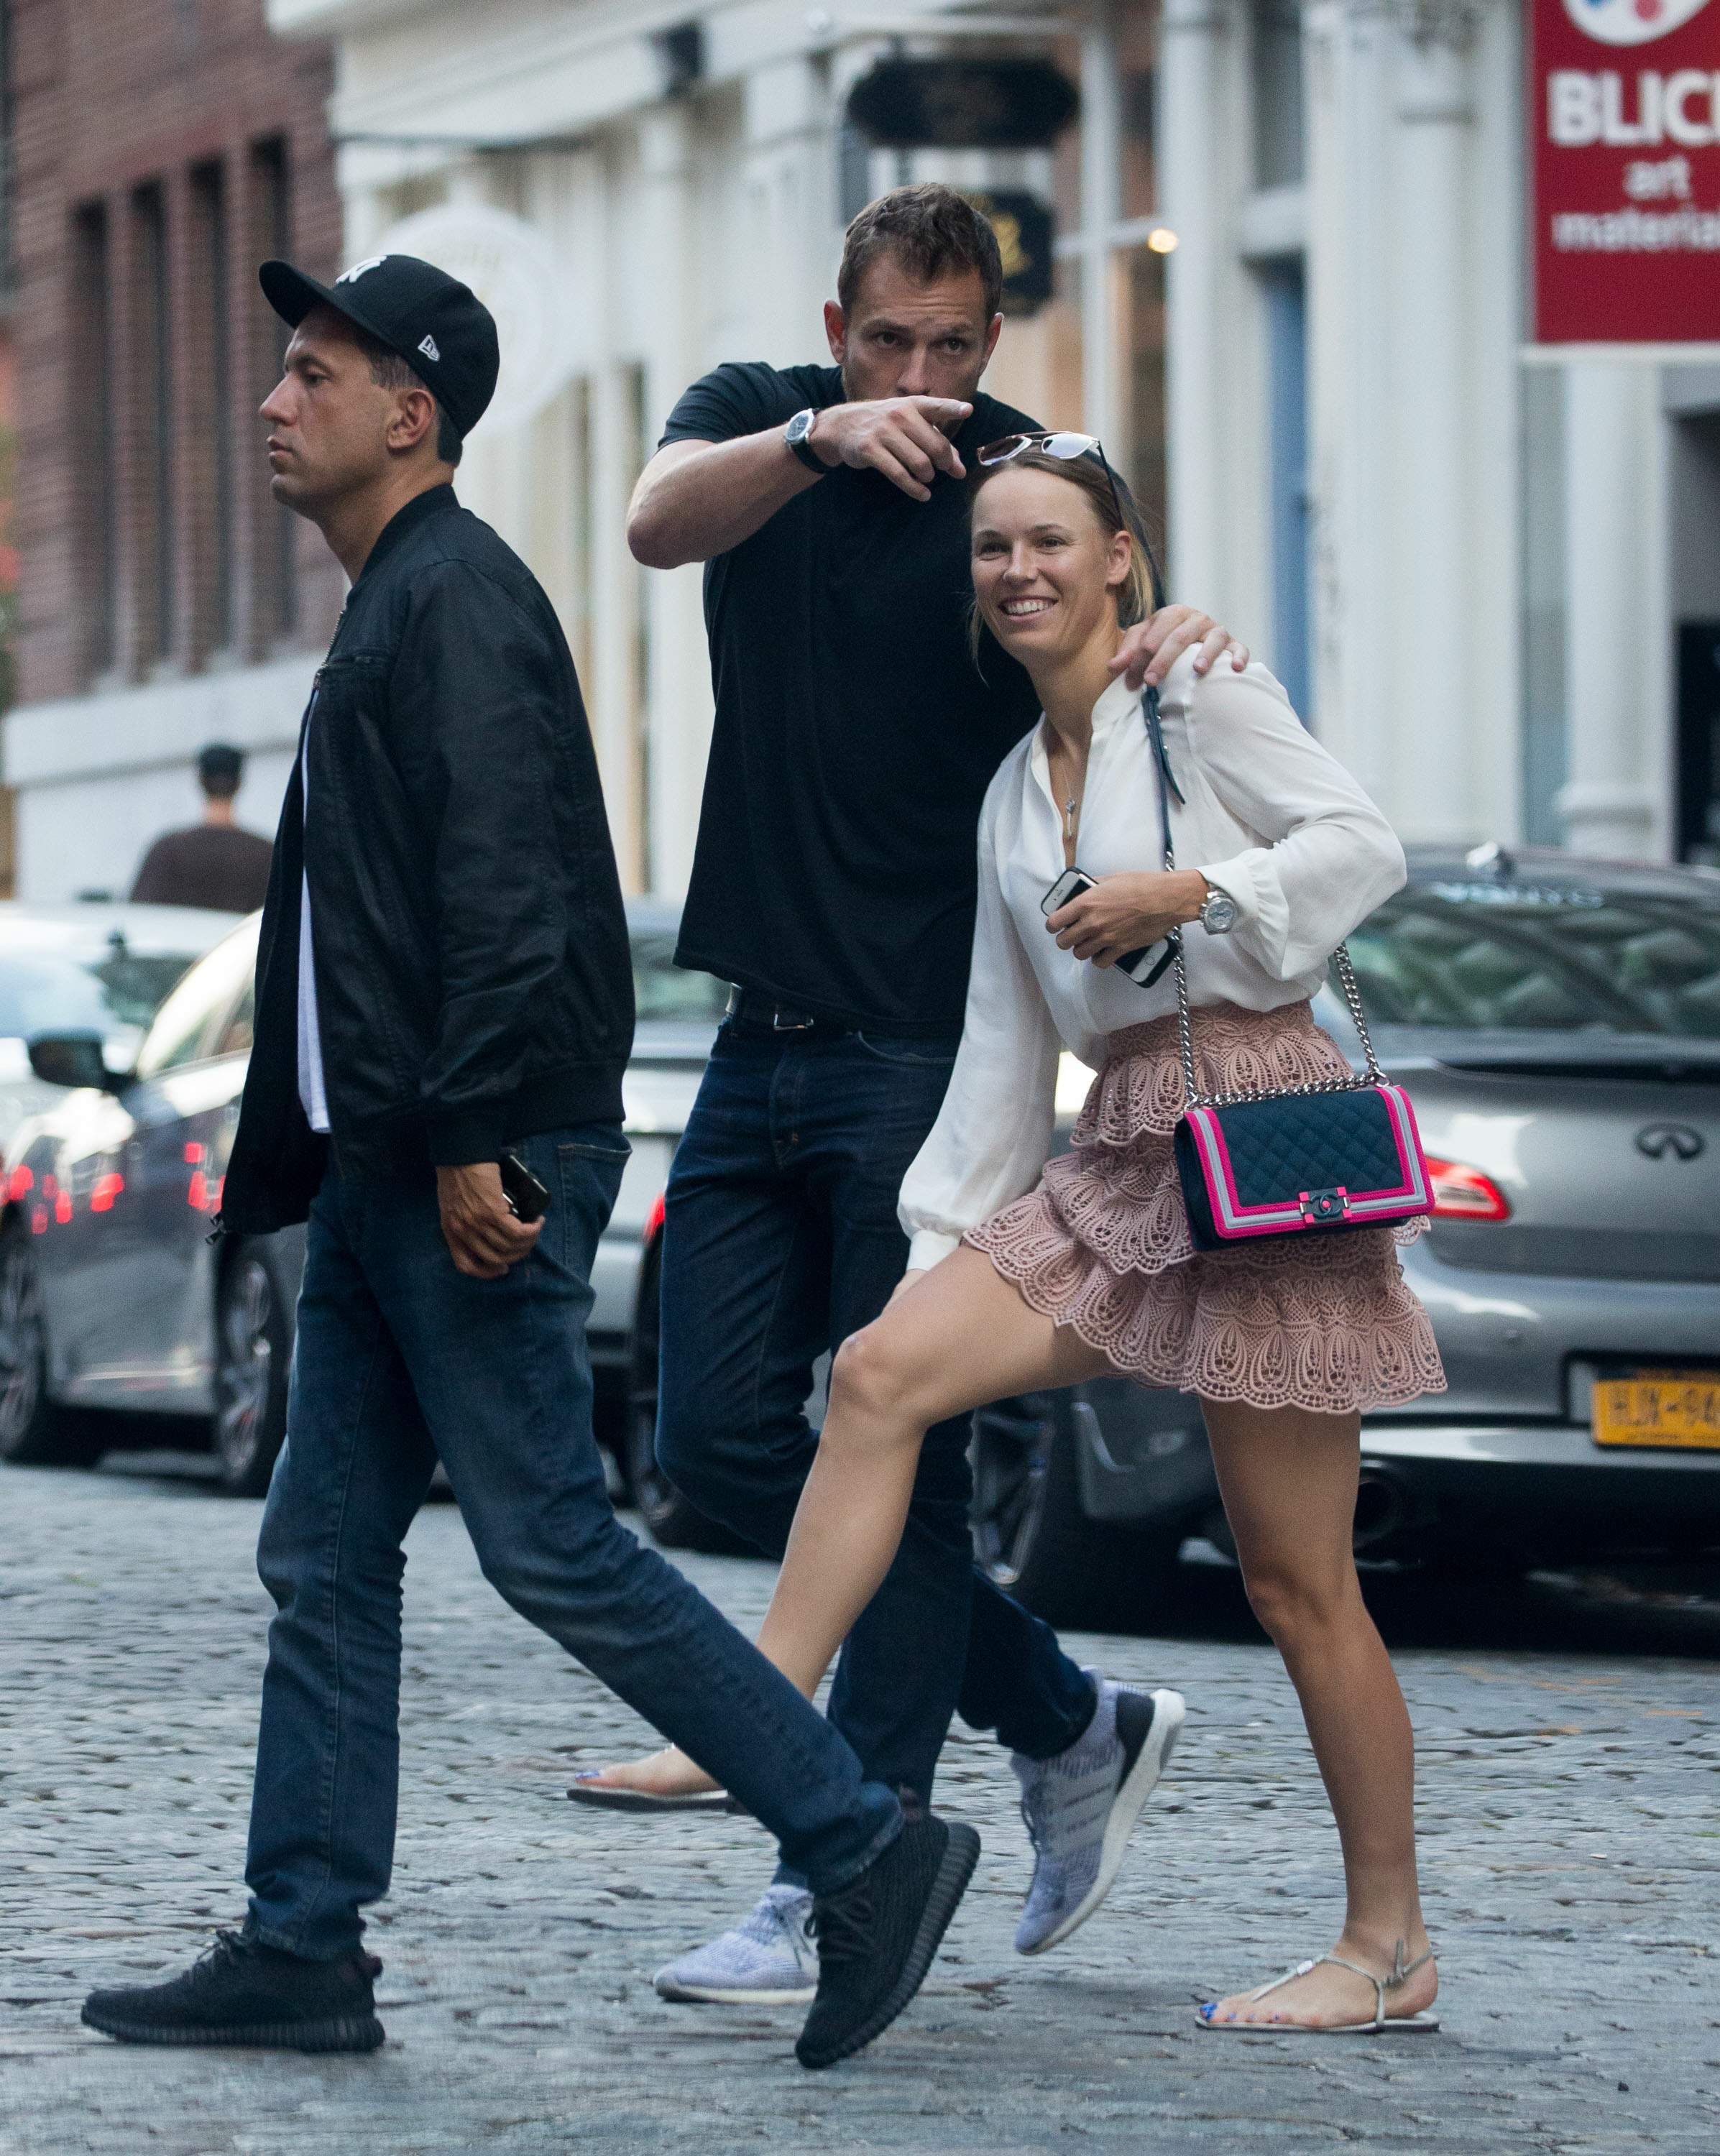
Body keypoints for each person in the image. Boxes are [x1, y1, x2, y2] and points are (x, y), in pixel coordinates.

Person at [78, 251, 981, 2076]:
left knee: (551, 1540)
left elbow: (518, 889)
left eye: (312, 374)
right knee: (324, 1550)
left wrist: (474, 1129)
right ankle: (302, 1938)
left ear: (408, 414)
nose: (273, 402)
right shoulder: (399, 599)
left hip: (463, 1149)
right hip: (388, 1151)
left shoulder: (455, 601)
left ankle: (860, 1840)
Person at [663, 439, 1448, 2034]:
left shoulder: (1198, 693)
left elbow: (1360, 847)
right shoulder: (1012, 788)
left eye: (1047, 542)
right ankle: (753, 1714)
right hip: (1122, 1148)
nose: (1016, 569)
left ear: (1116, 560)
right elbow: (998, 1045)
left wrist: (1185, 892)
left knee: (1295, 1583)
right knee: (877, 1372)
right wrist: (938, 1255)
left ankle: (1387, 1948)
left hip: (1258, 1132)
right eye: (991, 548)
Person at [574, 184, 1242, 1999]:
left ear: (993, 342)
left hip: (927, 1057)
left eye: (953, 346)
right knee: (711, 1439)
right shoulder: (758, 424)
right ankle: (1063, 1715)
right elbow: (649, 521)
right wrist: (814, 437)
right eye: (889, 342)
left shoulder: (1015, 485)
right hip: (755, 1034)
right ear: (835, 328)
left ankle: (840, 1867)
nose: (921, 378)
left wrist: (1169, 633)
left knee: (906, 1455)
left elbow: (1102, 635)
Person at [131, 742, 275, 913]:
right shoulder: (267, 854)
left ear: (201, 781)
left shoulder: (167, 850)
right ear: (239, 783)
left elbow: (139, 914)